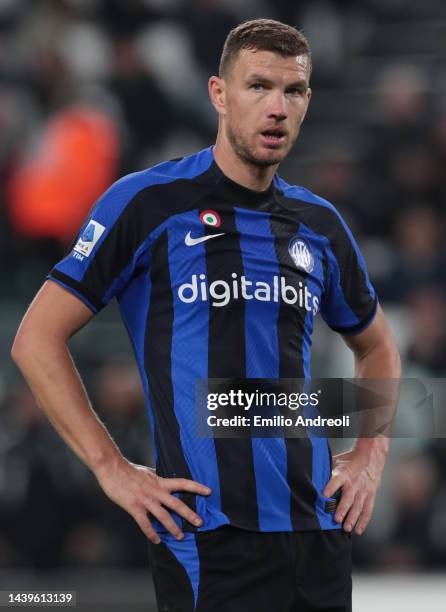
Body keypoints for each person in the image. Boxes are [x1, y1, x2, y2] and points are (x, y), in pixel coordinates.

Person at [12, 18, 401, 612]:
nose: (277, 107)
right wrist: (112, 468)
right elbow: (35, 339)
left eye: (292, 92)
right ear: (219, 94)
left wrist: (371, 454)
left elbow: (377, 346)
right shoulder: (148, 203)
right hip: (210, 541)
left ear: (308, 102)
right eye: (258, 87)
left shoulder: (319, 224)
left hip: (320, 536)